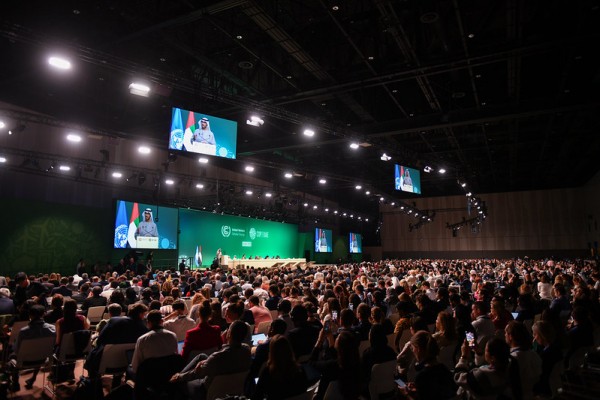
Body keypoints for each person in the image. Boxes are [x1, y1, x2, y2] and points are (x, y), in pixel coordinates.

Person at [170, 320, 252, 399]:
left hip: (208, 390)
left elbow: (196, 374)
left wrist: (180, 377)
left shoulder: (218, 357)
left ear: (229, 334)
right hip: (234, 388)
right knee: (202, 356)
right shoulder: (247, 351)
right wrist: (207, 362)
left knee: (181, 382)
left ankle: (175, 380)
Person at [401, 330, 457, 400]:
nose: (413, 352)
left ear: (418, 349)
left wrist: (406, 394)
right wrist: (418, 387)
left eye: (413, 348)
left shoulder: (422, 376)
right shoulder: (444, 368)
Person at [251, 334, 308, 400]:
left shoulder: (268, 372)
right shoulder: (300, 369)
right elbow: (304, 390)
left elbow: (257, 396)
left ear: (271, 352)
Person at [130, 310, 179, 375]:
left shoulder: (142, 339)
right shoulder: (173, 335)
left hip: (150, 377)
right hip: (169, 374)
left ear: (148, 323)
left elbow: (135, 366)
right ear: (161, 321)